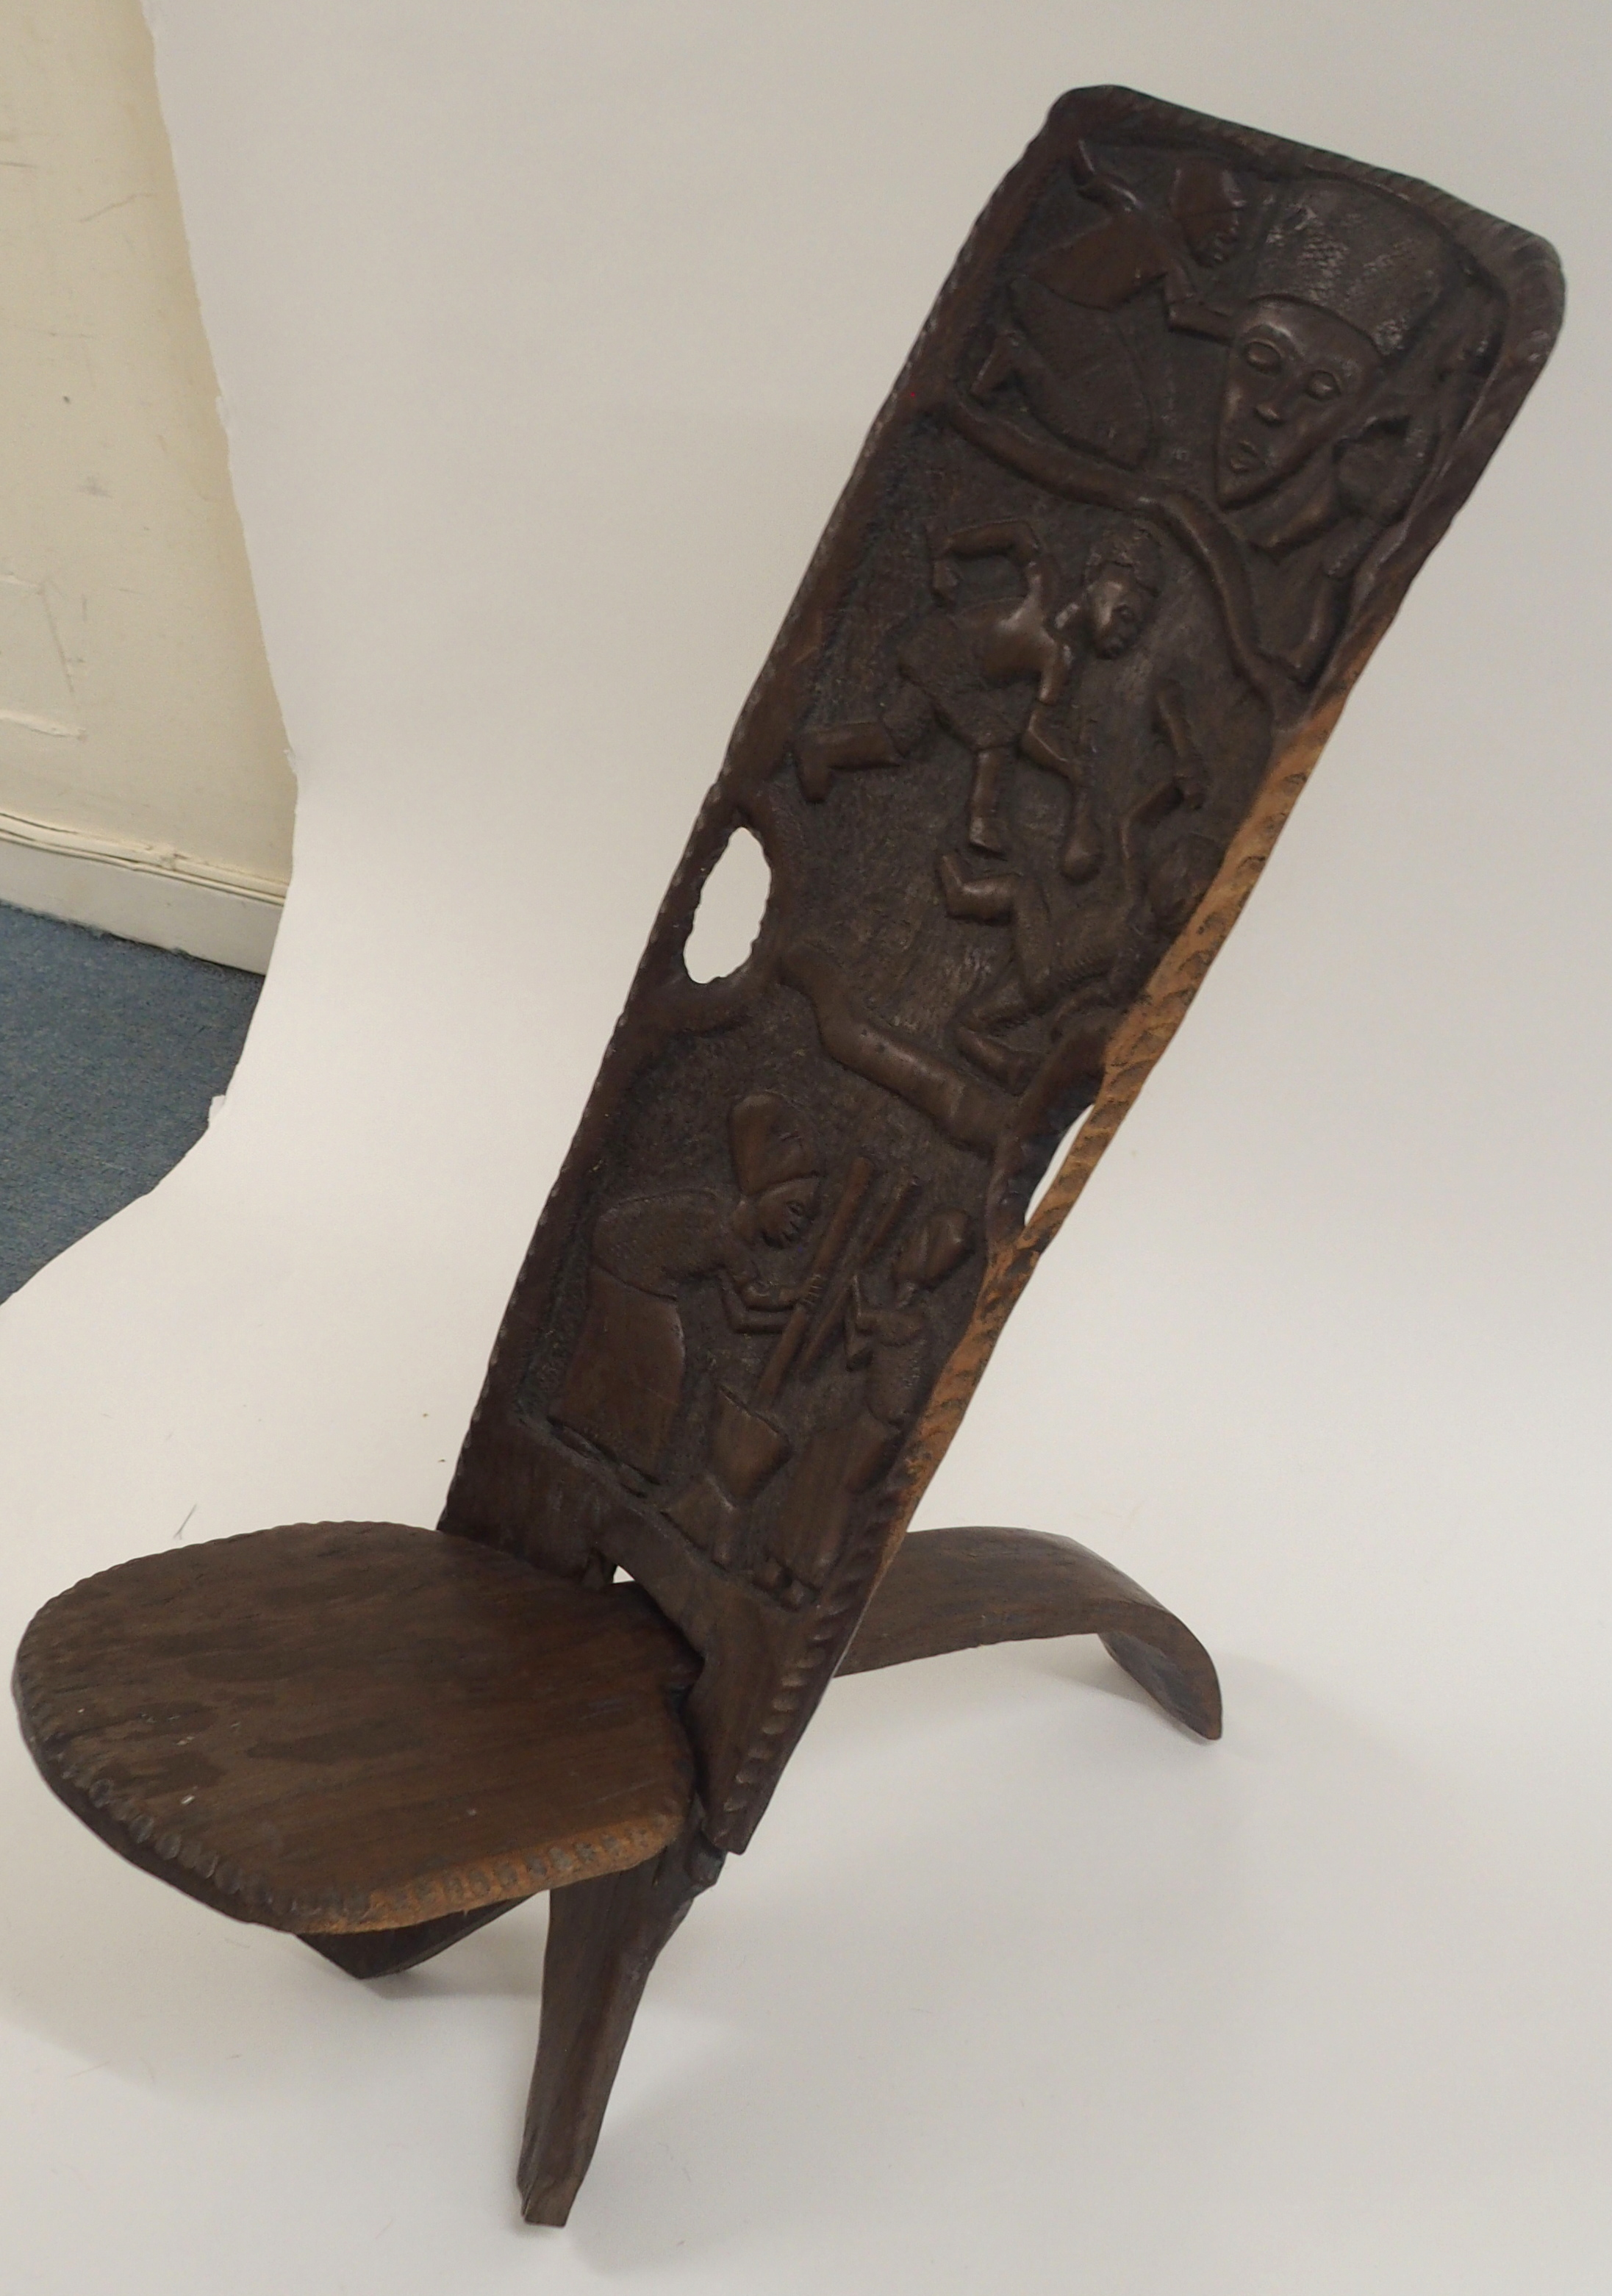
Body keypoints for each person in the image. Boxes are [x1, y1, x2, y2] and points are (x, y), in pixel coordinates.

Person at [796, 518, 1164, 861]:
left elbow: (1037, 731)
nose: (1126, 636)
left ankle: (824, 750)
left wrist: (1068, 765)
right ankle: (980, 821)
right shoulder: (1050, 604)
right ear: (1099, 578)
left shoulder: (1062, 654)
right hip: (944, 651)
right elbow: (1018, 534)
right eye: (1126, 615)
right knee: (985, 734)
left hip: (956, 667)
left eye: (1133, 629)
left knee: (903, 736)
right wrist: (947, 550)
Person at [554, 1091, 821, 1483]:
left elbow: (739, 1316)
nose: (798, 1227)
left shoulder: (724, 1228)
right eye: (794, 1209)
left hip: (629, 1264)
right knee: (663, 1360)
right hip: (627, 1263)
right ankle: (620, 1453)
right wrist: (797, 1297)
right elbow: (752, 1297)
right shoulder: (723, 1232)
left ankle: (593, 1435)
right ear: (766, 1191)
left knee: (630, 1350)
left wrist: (792, 1322)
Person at [756, 1209, 973, 1609]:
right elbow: (858, 1351)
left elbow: (863, 1319)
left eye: (909, 1246)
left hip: (878, 1431)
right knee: (816, 1466)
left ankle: (807, 1579)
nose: (899, 1252)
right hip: (864, 1422)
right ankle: (781, 1562)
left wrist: (852, 1281)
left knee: (838, 1494)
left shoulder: (912, 1321)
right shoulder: (897, 1318)